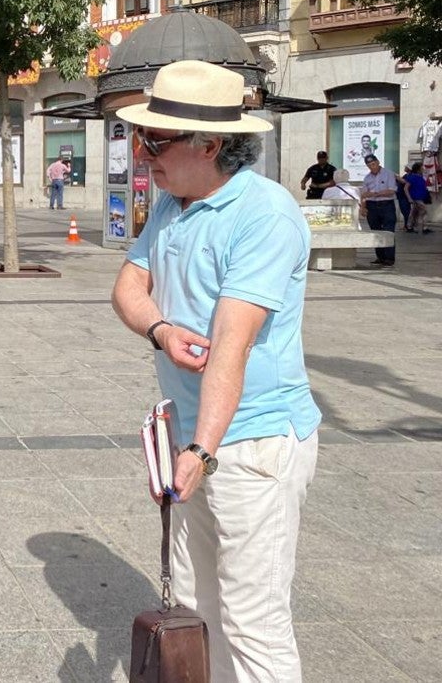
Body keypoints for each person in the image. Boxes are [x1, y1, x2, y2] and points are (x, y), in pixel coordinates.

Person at [110, 60, 322, 682]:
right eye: (140, 138)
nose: (141, 153)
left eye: (155, 139)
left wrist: (202, 449)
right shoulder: (176, 205)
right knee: (200, 609)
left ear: (210, 145)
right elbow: (128, 284)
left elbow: (232, 344)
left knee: (252, 620)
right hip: (192, 436)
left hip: (250, 442)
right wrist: (161, 328)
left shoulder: (265, 216)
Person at [360, 155, 398, 266]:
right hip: (372, 206)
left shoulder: (388, 174)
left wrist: (376, 194)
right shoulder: (367, 178)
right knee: (375, 231)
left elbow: (392, 190)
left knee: (388, 231)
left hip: (386, 205)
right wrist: (363, 207)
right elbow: (364, 194)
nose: (372, 167)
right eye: (369, 166)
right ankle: (380, 257)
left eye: (373, 164)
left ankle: (389, 258)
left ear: (378, 162)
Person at [403, 162, 430, 233]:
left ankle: (410, 227)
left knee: (413, 213)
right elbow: (406, 188)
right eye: (422, 168)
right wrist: (409, 198)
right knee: (424, 212)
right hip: (416, 198)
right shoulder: (412, 177)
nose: (423, 169)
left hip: (420, 198)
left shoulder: (420, 177)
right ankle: (424, 228)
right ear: (418, 169)